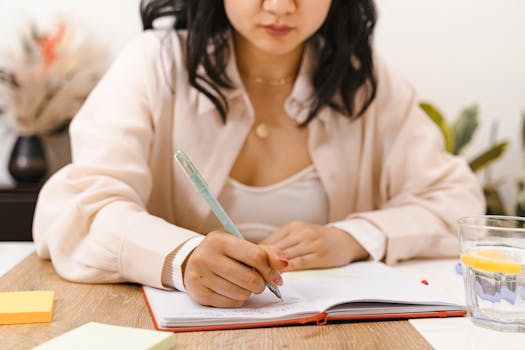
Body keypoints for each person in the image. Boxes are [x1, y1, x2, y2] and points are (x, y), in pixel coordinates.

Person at [33, 0, 484, 308]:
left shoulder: (363, 83)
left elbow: (456, 202)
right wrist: (182, 257)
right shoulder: (155, 65)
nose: (281, 6)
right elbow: (78, 209)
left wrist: (354, 237)